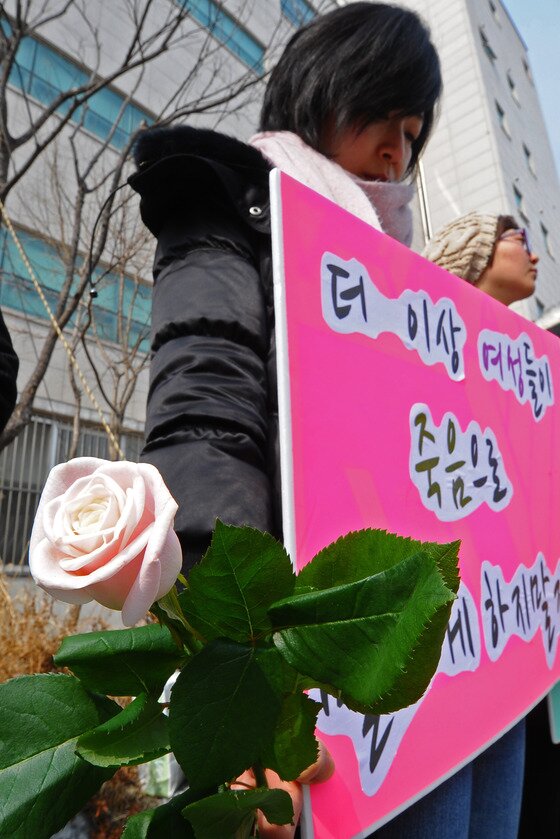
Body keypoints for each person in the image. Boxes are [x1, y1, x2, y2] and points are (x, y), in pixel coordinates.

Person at [129, 2, 442, 834]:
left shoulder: (412, 283)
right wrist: (235, 683)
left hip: (437, 667)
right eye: (386, 114)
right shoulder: (234, 208)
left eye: (414, 134)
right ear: (325, 86)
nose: (396, 151)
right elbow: (204, 432)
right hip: (307, 672)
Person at [371, 211, 539, 839]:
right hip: (441, 652)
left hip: (511, 641)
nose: (532, 251)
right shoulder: (409, 357)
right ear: (474, 251)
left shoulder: (533, 382)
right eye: (514, 236)